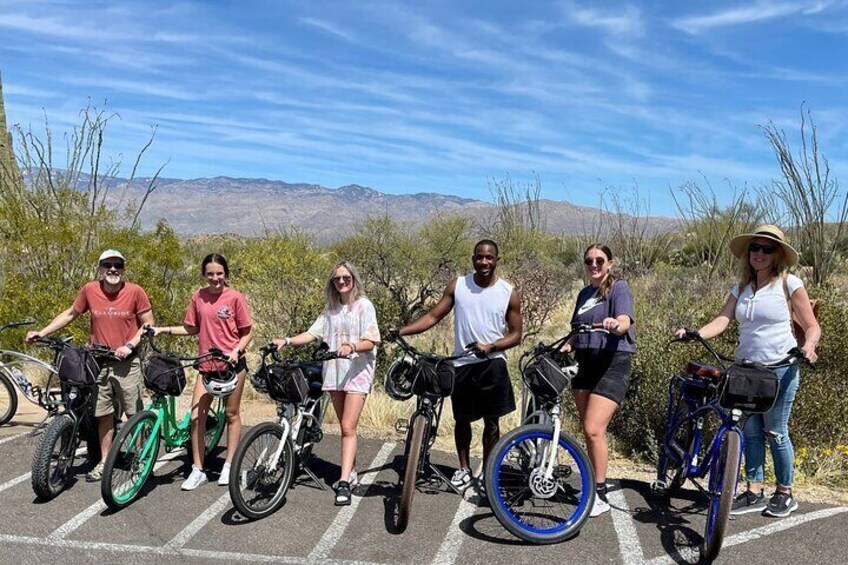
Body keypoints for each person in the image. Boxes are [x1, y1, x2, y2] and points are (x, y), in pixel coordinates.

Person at [675, 225, 819, 518]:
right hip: (746, 370)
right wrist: (696, 333)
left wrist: (809, 347)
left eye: (767, 249)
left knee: (776, 431)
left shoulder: (789, 284)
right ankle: (754, 490)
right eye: (755, 248)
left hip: (780, 368)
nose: (760, 254)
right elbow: (724, 319)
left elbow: (812, 326)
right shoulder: (741, 288)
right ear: (748, 253)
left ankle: (784, 492)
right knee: (750, 432)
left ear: (777, 253)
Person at [390, 239, 522, 496]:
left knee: (491, 423)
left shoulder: (508, 292)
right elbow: (433, 316)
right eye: (479, 257)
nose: (484, 262)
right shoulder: (459, 286)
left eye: (489, 258)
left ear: (497, 260)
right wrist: (402, 331)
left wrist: (492, 347)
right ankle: (463, 469)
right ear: (473, 259)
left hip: (492, 363)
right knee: (462, 421)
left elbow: (516, 335)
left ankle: (487, 471)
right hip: (461, 364)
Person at [26, 249, 154, 481]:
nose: (113, 269)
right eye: (108, 265)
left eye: (117, 265)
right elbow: (70, 313)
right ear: (100, 268)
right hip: (97, 362)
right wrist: (42, 332)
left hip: (126, 363)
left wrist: (130, 345)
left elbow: (147, 324)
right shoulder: (90, 290)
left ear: (123, 269)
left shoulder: (135, 291)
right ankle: (105, 461)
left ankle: (141, 458)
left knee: (133, 412)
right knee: (103, 414)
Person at [273, 260, 380, 506]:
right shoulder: (330, 310)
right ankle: (350, 471)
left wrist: (351, 346)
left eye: (346, 278)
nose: (341, 282)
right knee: (344, 427)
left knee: (347, 426)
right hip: (333, 372)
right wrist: (287, 341)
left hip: (356, 372)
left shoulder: (364, 306)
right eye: (337, 278)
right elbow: (312, 334)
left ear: (354, 279)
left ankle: (343, 483)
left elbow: (372, 340)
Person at [152, 253, 253, 491]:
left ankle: (229, 465)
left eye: (219, 273)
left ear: (225, 274)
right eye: (210, 274)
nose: (215, 278)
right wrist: (162, 329)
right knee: (197, 418)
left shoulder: (235, 297)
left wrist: (236, 350)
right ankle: (198, 469)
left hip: (232, 366)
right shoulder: (198, 296)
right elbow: (191, 328)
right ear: (204, 274)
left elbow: (247, 331)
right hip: (206, 365)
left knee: (231, 414)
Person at [562, 244, 635, 517]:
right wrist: (564, 347)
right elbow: (575, 331)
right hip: (585, 361)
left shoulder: (618, 288)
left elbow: (625, 320)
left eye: (599, 260)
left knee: (594, 429)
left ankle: (600, 493)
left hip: (612, 361)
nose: (594, 265)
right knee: (588, 430)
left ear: (610, 263)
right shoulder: (584, 293)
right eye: (589, 261)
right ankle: (591, 482)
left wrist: (617, 325)